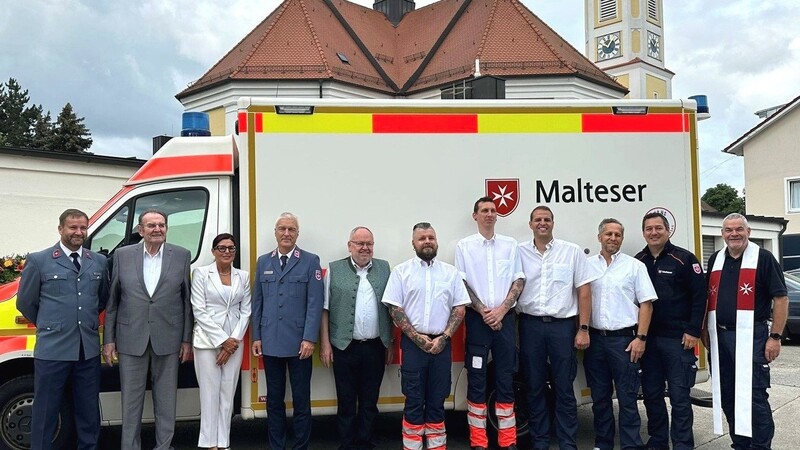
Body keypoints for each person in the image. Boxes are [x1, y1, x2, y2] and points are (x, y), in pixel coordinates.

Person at [17, 208, 110, 450]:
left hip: (87, 350)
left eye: (83, 228)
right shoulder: (40, 260)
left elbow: (101, 299)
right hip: (52, 350)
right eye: (73, 227)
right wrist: (52, 325)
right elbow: (26, 302)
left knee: (88, 412)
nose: (79, 232)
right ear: (60, 229)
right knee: (45, 411)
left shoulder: (98, 261)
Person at [102, 209, 193, 450]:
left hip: (169, 339)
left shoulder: (182, 255)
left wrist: (186, 340)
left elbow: (186, 302)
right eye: (151, 225)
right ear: (141, 230)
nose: (157, 229)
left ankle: (164, 446)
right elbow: (113, 302)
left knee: (166, 400)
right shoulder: (122, 255)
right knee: (131, 401)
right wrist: (109, 341)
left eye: (161, 225)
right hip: (131, 338)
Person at [382, 222, 469, 450]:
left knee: (438, 401)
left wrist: (445, 337)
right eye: (422, 238)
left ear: (436, 241)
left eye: (431, 237)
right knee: (413, 401)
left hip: (442, 345)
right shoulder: (401, 272)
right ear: (413, 244)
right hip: (413, 347)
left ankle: (437, 446)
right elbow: (395, 309)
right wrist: (418, 338)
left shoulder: (450, 273)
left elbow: (459, 308)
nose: (427, 241)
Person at [704, 213, 788, 449]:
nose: (734, 234)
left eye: (739, 229)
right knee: (728, 395)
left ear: (748, 232)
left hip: (753, 336)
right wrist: (704, 330)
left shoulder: (763, 258)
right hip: (720, 337)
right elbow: (708, 299)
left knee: (754, 396)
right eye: (728, 230)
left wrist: (775, 337)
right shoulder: (715, 259)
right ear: (722, 234)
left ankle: (761, 446)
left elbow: (780, 299)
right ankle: (740, 444)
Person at [516, 206, 597, 450]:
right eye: (538, 219)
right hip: (530, 327)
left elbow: (584, 291)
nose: (543, 223)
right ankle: (540, 442)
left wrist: (583, 328)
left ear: (553, 223)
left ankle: (567, 443)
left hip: (563, 329)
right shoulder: (518, 252)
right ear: (530, 224)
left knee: (564, 388)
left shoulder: (571, 252)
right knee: (534, 387)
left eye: (547, 219)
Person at [454, 197, 525, 450]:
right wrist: (485, 312)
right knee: (477, 380)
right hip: (477, 322)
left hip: (505, 322)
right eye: (484, 210)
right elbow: (461, 284)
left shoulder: (510, 245)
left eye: (493, 210)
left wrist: (502, 310)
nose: (489, 214)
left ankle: (508, 442)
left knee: (505, 378)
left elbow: (518, 280)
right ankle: (478, 442)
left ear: (497, 216)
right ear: (475, 216)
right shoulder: (464, 246)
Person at [251, 212, 324, 450]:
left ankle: (300, 446)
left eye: (291, 229)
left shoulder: (310, 260)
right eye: (282, 229)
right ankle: (277, 446)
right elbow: (257, 302)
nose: (286, 234)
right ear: (275, 232)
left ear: (297, 234)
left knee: (301, 401)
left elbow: (315, 303)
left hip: (300, 345)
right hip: (270, 342)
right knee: (274, 400)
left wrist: (309, 338)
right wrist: (257, 337)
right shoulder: (263, 261)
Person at [635, 212, 707, 450]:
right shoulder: (639, 261)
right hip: (649, 340)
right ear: (644, 232)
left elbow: (700, 297)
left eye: (658, 228)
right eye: (649, 229)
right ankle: (657, 442)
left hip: (678, 340)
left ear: (668, 231)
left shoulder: (684, 259)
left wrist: (693, 330)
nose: (654, 232)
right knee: (652, 395)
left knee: (679, 397)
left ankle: (683, 444)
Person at [585, 218, 656, 450]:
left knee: (627, 399)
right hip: (594, 340)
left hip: (625, 341)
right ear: (599, 237)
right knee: (600, 399)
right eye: (608, 234)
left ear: (622, 239)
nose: (613, 238)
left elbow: (647, 304)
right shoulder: (586, 265)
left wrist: (641, 338)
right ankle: (603, 444)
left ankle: (630, 445)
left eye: (617, 235)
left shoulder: (634, 266)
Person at [319, 226, 393, 450]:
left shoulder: (384, 268)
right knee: (347, 400)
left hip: (375, 347)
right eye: (360, 243)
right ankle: (347, 443)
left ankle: (365, 441)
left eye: (369, 243)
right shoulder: (334, 269)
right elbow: (325, 309)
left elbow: (391, 308)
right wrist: (325, 344)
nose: (365, 247)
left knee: (370, 400)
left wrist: (389, 343)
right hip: (344, 347)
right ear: (349, 245)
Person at [191, 233, 252, 450]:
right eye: (222, 248)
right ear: (213, 251)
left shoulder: (242, 276)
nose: (227, 252)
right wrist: (222, 341)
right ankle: (209, 444)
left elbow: (246, 311)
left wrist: (232, 341)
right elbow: (199, 309)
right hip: (207, 340)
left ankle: (223, 442)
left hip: (235, 339)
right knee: (209, 393)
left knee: (227, 392)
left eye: (231, 248)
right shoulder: (200, 274)